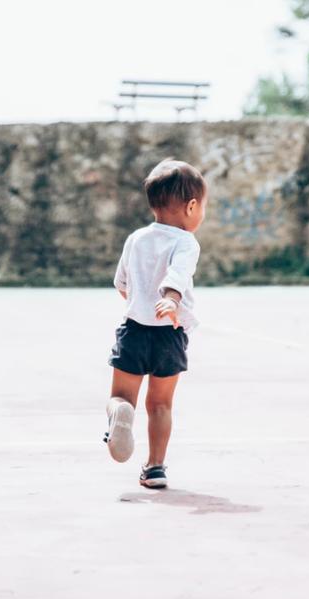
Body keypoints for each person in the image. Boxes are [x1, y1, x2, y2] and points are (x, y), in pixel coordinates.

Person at [104, 159, 207, 489]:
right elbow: (179, 274)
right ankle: (155, 468)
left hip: (134, 330)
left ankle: (120, 414)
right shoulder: (186, 242)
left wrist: (142, 303)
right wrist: (171, 300)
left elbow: (121, 283)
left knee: (121, 396)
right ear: (192, 206)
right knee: (160, 404)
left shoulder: (136, 239)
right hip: (169, 335)